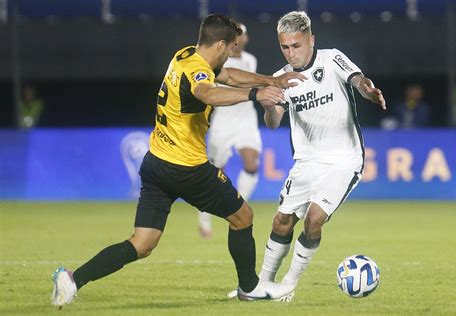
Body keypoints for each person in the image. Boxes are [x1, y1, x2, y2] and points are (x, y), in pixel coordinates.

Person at [51, 14, 307, 307]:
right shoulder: (197, 74)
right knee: (242, 217)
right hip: (186, 168)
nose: (233, 53)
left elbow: (228, 76)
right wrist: (255, 94)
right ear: (221, 45)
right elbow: (207, 92)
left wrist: (272, 80)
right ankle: (249, 287)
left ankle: (71, 279)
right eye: (232, 47)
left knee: (142, 243)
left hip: (156, 162)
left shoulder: (185, 55)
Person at [253, 11, 385, 296]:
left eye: (296, 45)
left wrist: (369, 91)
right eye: (285, 47)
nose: (291, 53)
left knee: (314, 218)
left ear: (311, 40)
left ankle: (287, 285)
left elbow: (358, 80)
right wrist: (267, 105)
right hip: (306, 161)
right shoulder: (279, 78)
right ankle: (262, 283)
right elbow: (274, 123)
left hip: (343, 160)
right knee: (281, 221)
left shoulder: (331, 58)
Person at [199, 23, 262, 239]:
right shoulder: (218, 62)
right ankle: (204, 219)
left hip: (246, 119)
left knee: (252, 164)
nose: (241, 39)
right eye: (238, 36)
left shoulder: (251, 60)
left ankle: (238, 206)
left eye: (243, 35)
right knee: (216, 172)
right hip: (224, 119)